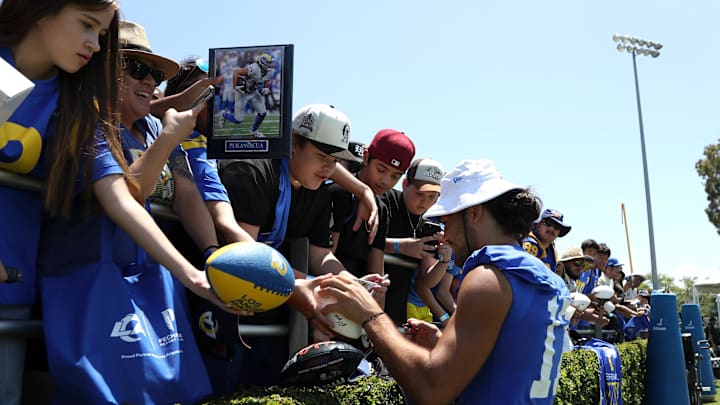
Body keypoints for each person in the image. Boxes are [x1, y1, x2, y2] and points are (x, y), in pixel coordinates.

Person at [319, 159, 571, 404]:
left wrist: (371, 316)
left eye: (446, 221)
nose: (445, 235)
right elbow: (510, 364)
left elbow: (432, 390)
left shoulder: (488, 278)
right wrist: (443, 345)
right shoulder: (546, 279)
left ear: (473, 213)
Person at [198, 103, 381, 391]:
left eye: (334, 161)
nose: (328, 169)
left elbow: (321, 255)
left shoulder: (317, 188)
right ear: (292, 142)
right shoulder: (253, 169)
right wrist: (312, 284)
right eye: (321, 156)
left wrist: (353, 284)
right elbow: (245, 256)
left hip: (272, 308)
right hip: (220, 307)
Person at [0, 2, 128, 403]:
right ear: (41, 9)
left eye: (102, 35)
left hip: (15, 290)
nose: (93, 44)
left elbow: (119, 193)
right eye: (86, 25)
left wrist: (191, 273)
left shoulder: (75, 102)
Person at [380, 156, 449, 325]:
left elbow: (426, 281)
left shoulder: (429, 223)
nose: (425, 202)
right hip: (367, 302)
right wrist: (399, 247)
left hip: (399, 314)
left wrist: (444, 260)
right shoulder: (385, 200)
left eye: (433, 196)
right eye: (420, 194)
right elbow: (354, 242)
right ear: (405, 184)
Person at [220, 51, 275, 137]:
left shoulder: (268, 71)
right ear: (262, 61)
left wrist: (266, 88)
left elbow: (267, 80)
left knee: (262, 113)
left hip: (253, 92)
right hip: (242, 93)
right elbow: (236, 72)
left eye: (271, 62)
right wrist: (235, 87)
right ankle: (224, 114)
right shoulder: (254, 68)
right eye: (269, 62)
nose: (271, 65)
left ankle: (254, 131)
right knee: (238, 120)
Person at [522, 208, 571, 272]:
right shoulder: (530, 244)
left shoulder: (552, 251)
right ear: (538, 225)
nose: (552, 229)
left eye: (557, 227)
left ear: (559, 232)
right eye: (548, 223)